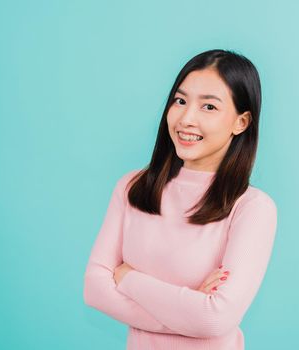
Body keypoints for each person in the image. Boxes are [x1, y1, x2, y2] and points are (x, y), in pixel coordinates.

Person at [83, 49, 278, 350]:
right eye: (180, 101)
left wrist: (127, 277)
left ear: (241, 122)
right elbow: (94, 290)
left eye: (209, 107)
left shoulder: (252, 208)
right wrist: (189, 308)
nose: (187, 119)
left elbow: (214, 319)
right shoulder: (132, 187)